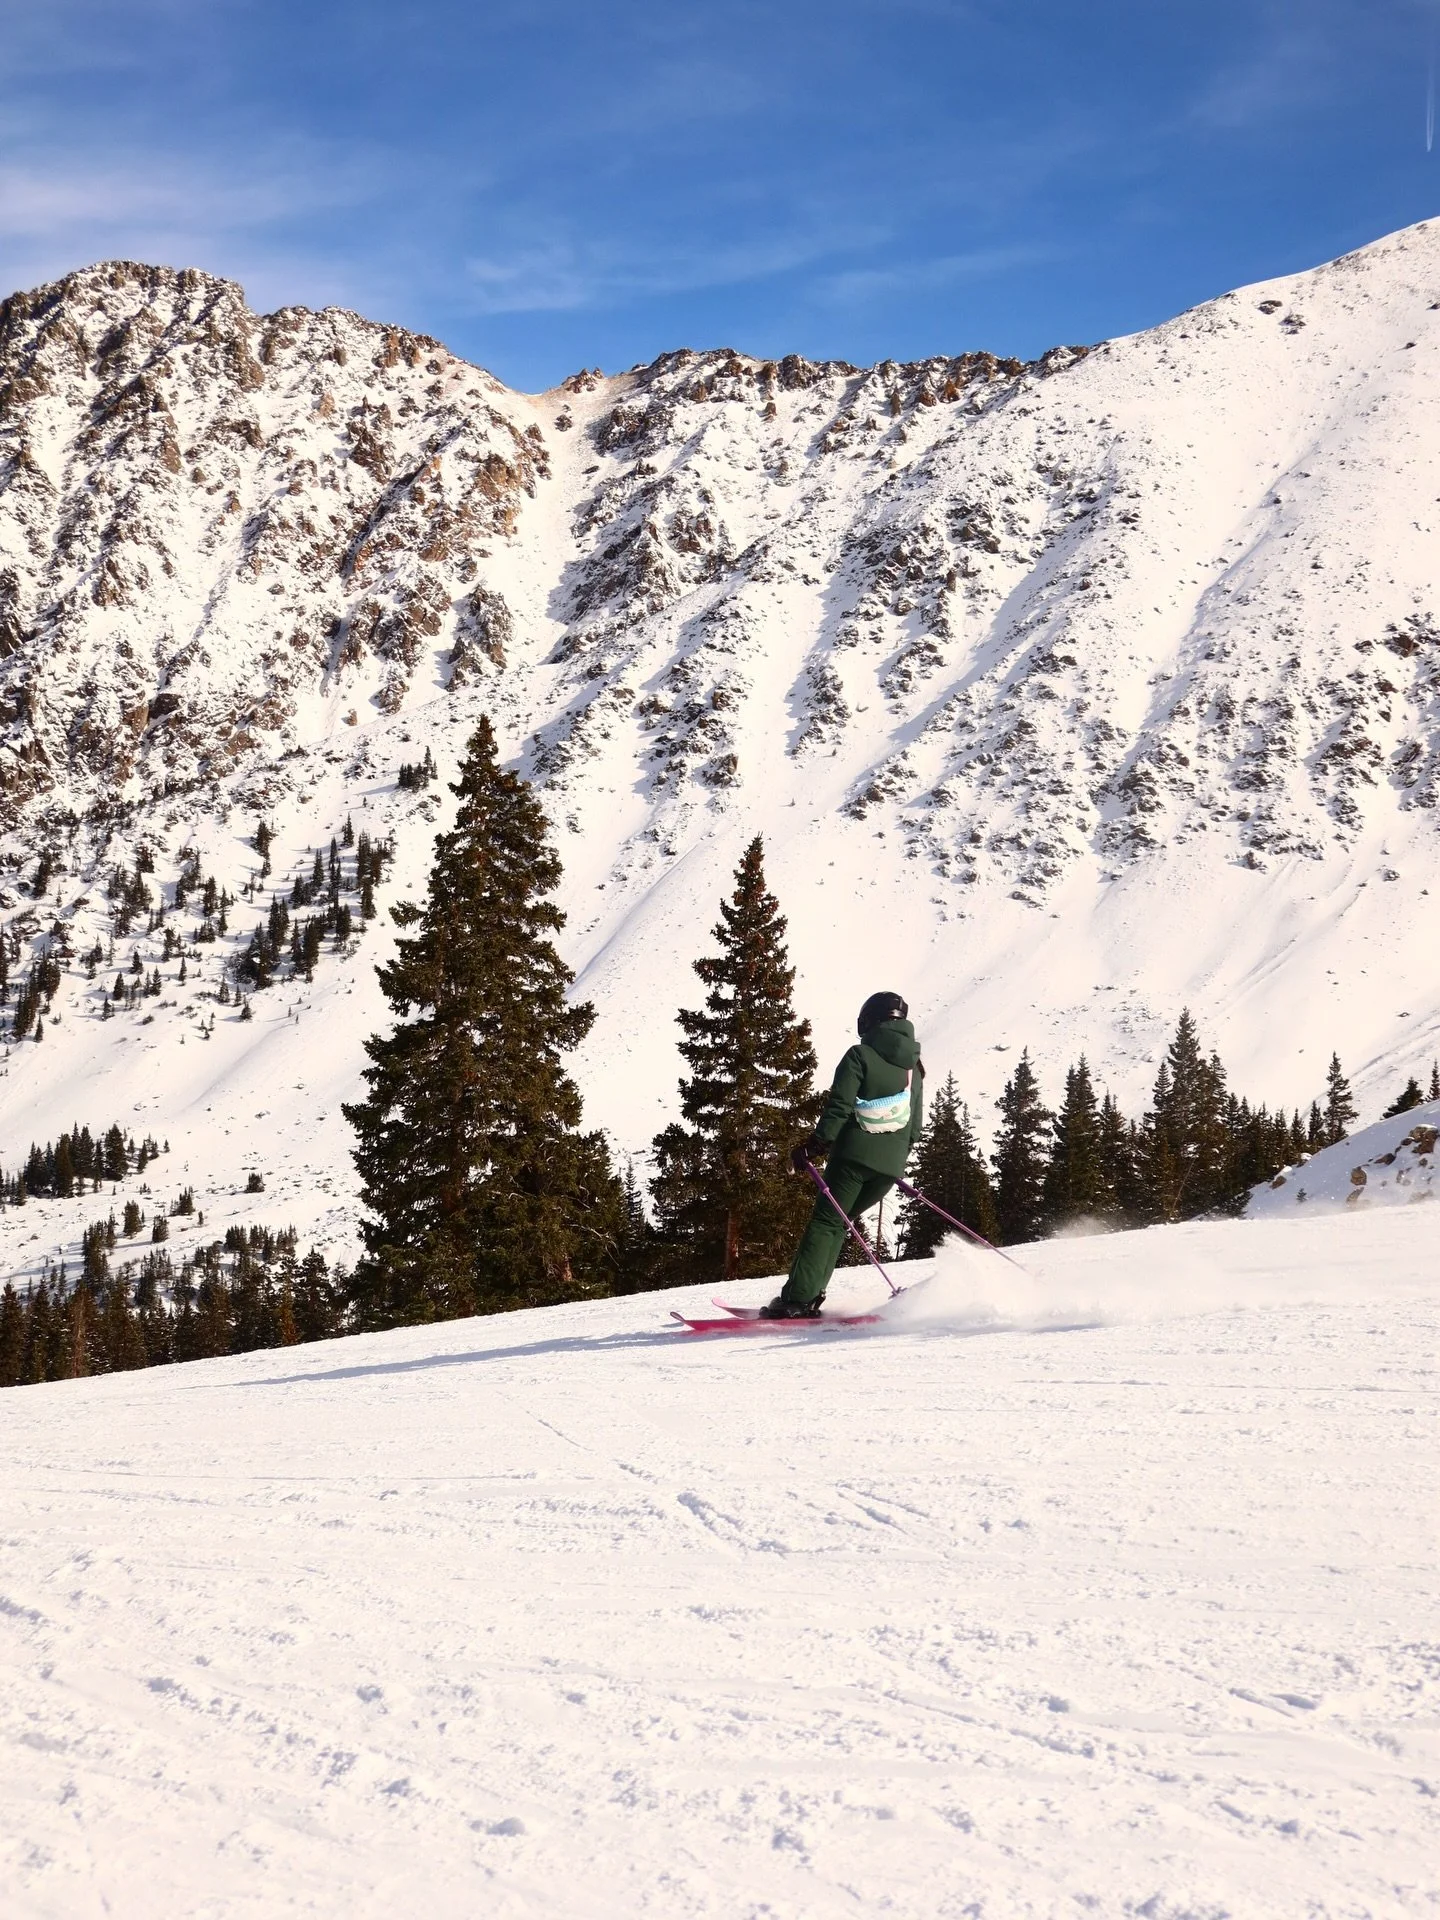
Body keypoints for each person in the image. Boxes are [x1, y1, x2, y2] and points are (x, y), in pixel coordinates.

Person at [761, 991, 923, 1318]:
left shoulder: (859, 1056)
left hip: (852, 1160)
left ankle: (797, 1300)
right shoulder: (914, 1069)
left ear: (869, 1021)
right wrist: (893, 1160)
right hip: (889, 1170)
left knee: (826, 1223)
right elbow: (915, 1128)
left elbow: (839, 1107)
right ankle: (809, 1295)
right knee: (838, 1223)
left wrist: (815, 1145)